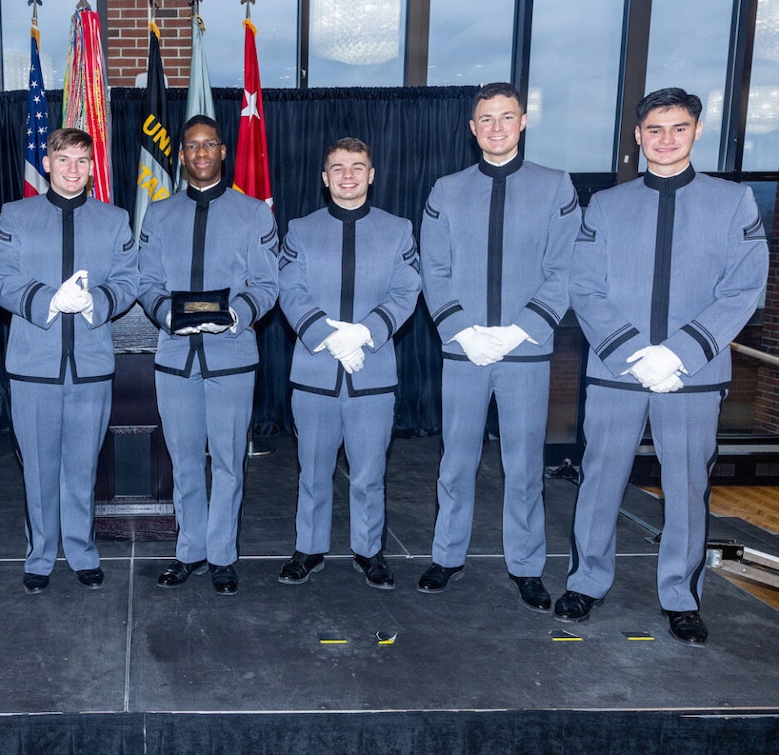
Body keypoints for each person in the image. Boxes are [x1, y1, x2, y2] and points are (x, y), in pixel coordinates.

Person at [559, 87, 768, 645]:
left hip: (693, 375)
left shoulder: (734, 201)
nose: (667, 139)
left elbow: (743, 289)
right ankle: (585, 582)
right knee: (600, 479)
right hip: (615, 371)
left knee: (686, 485)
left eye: (679, 128)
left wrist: (680, 352)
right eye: (655, 129)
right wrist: (634, 352)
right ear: (638, 137)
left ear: (697, 131)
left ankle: (681, 596)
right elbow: (584, 288)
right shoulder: (605, 205)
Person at [418, 82, 579, 611]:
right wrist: (463, 330)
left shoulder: (556, 187)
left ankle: (528, 567)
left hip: (526, 351)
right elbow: (433, 269)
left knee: (525, 465)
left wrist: (517, 330)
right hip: (463, 350)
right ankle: (446, 557)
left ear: (523, 121)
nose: (495, 127)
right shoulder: (446, 189)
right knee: (455, 461)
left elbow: (563, 272)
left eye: (505, 117)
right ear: (472, 128)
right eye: (485, 119)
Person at [0, 128, 139, 594]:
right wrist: (50, 300)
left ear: (93, 167)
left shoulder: (114, 219)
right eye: (64, 159)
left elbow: (130, 281)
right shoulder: (15, 215)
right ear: (47, 164)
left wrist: (92, 301)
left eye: (82, 160)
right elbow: (0, 278)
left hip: (91, 363)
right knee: (36, 466)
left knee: (82, 466)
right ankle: (39, 556)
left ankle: (81, 550)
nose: (73, 169)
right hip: (34, 365)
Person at [138, 115, 280, 595]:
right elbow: (147, 283)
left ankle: (222, 555)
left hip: (232, 356)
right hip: (175, 357)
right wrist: (166, 314)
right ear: (181, 155)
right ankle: (189, 552)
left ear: (223, 151)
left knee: (227, 460)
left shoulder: (254, 213)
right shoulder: (158, 214)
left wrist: (234, 315)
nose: (200, 153)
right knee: (183, 461)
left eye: (209, 144)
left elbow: (267, 285)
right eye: (191, 146)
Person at [277, 138, 420, 590]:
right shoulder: (300, 229)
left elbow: (406, 292)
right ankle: (309, 549)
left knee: (369, 472)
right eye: (337, 168)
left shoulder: (399, 229)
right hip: (316, 371)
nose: (347, 175)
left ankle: (369, 550)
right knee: (313, 470)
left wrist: (364, 333)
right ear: (324, 178)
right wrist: (329, 336)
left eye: (357, 167)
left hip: (372, 371)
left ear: (371, 175)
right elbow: (289, 290)